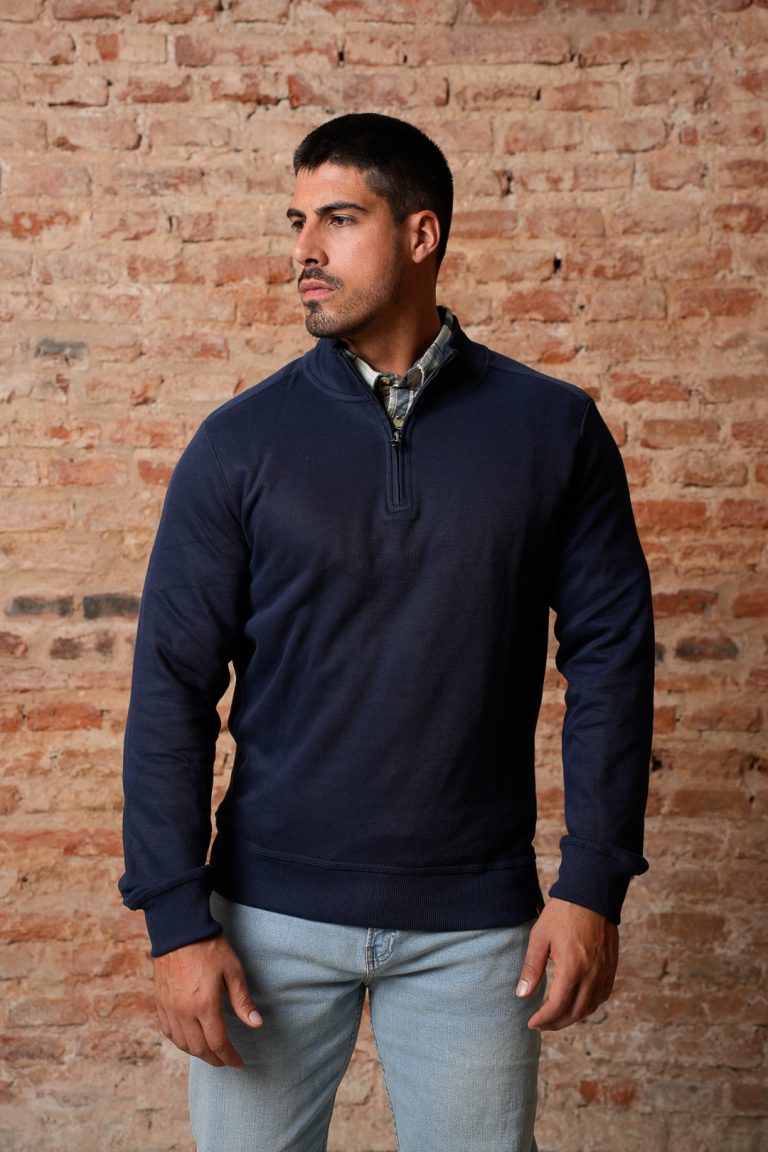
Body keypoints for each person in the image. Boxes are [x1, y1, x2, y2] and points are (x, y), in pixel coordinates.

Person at [120, 113, 654, 1152]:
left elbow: (612, 661)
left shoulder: (553, 430)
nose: (304, 251)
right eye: (296, 222)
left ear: (421, 235)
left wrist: (594, 882)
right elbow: (172, 689)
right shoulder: (239, 445)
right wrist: (176, 920)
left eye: (338, 219)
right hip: (266, 921)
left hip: (476, 928)